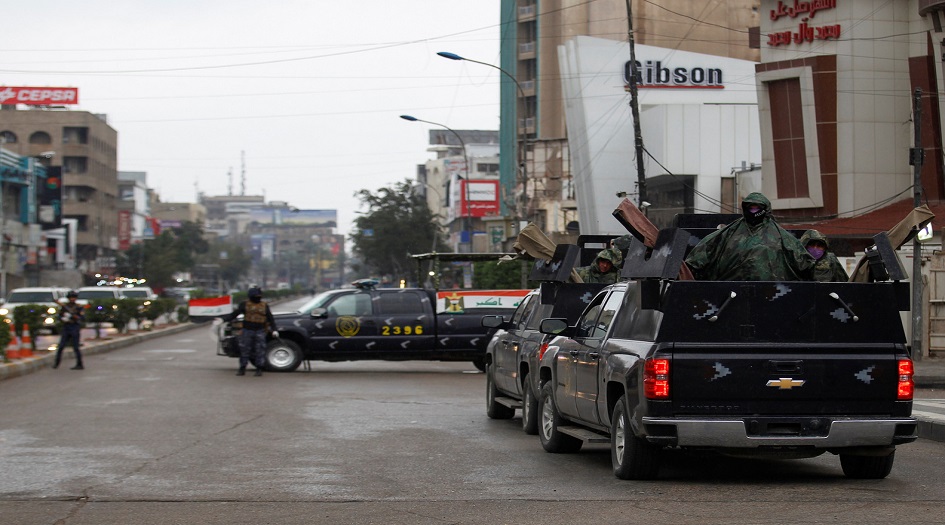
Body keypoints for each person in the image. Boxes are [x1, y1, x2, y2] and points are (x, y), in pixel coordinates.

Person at [685, 192, 815, 281]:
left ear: (765, 209)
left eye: (757, 207)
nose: (753, 211)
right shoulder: (729, 233)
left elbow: (804, 263)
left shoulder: (781, 236)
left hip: (772, 294)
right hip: (730, 293)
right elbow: (702, 253)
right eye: (750, 207)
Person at [222, 286, 278, 376]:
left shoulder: (264, 305)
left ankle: (259, 369)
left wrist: (274, 330)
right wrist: (223, 320)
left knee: (260, 350)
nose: (258, 297)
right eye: (256, 295)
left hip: (260, 330)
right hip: (247, 331)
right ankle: (242, 368)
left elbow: (270, 318)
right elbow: (234, 314)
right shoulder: (244, 304)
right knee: (244, 350)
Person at [54, 290, 85, 370]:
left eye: (73, 297)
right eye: (71, 297)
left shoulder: (78, 307)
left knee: (76, 347)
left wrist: (75, 317)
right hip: (66, 327)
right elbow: (60, 316)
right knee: (61, 346)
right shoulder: (65, 307)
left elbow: (82, 317)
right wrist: (63, 318)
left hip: (74, 327)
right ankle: (56, 363)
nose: (72, 299)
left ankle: (79, 364)